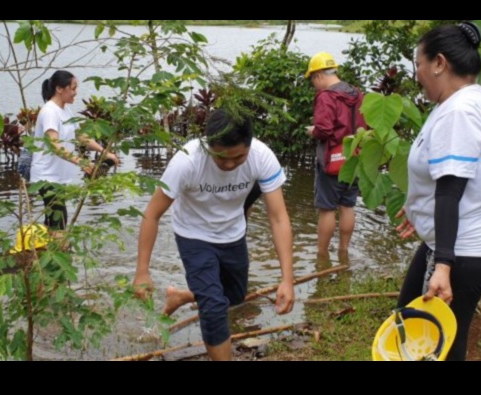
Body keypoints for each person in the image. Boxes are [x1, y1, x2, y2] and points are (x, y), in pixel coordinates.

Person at [133, 110, 295, 361]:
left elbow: (278, 218)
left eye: (238, 157)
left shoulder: (262, 157)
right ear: (208, 146)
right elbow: (152, 214)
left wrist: (287, 279)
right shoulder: (187, 161)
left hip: (233, 232)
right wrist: (142, 271)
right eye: (221, 158)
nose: (229, 165)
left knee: (235, 296)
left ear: (249, 146)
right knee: (214, 308)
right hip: (193, 234)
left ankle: (183, 296)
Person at [394, 22, 481, 361]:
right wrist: (419, 208)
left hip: (464, 251)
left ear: (439, 63)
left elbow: (449, 192)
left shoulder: (458, 111)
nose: (416, 73)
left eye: (418, 63)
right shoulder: (470, 98)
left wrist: (443, 266)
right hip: (462, 242)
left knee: (433, 346)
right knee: (418, 329)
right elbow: (455, 178)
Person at [31, 70, 119, 230]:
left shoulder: (65, 110)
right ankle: (58, 249)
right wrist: (80, 161)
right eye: (73, 88)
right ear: (59, 89)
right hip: (46, 176)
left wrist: (105, 152)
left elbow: (81, 137)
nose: (75, 92)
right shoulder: (50, 111)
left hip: (58, 176)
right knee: (59, 220)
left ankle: (45, 249)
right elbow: (54, 145)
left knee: (53, 219)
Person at [305, 52, 366, 254]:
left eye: (313, 79)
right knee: (348, 206)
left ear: (319, 76)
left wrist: (313, 130)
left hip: (331, 159)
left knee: (327, 209)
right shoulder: (356, 94)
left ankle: (321, 256)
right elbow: (363, 125)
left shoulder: (326, 97)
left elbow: (324, 130)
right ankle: (344, 251)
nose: (314, 84)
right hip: (354, 157)